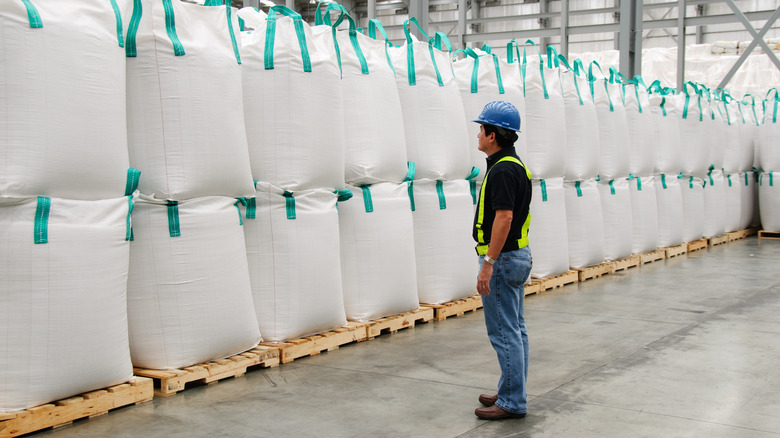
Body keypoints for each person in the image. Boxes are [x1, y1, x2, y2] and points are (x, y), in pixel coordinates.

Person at [471, 101, 533, 420]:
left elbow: (504, 218)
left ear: (493, 135)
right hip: (515, 257)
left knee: (504, 332)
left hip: (504, 259)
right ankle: (511, 389)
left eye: (481, 129)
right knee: (515, 329)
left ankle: (511, 401)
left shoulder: (504, 169)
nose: (478, 134)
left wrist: (488, 262)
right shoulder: (512, 165)